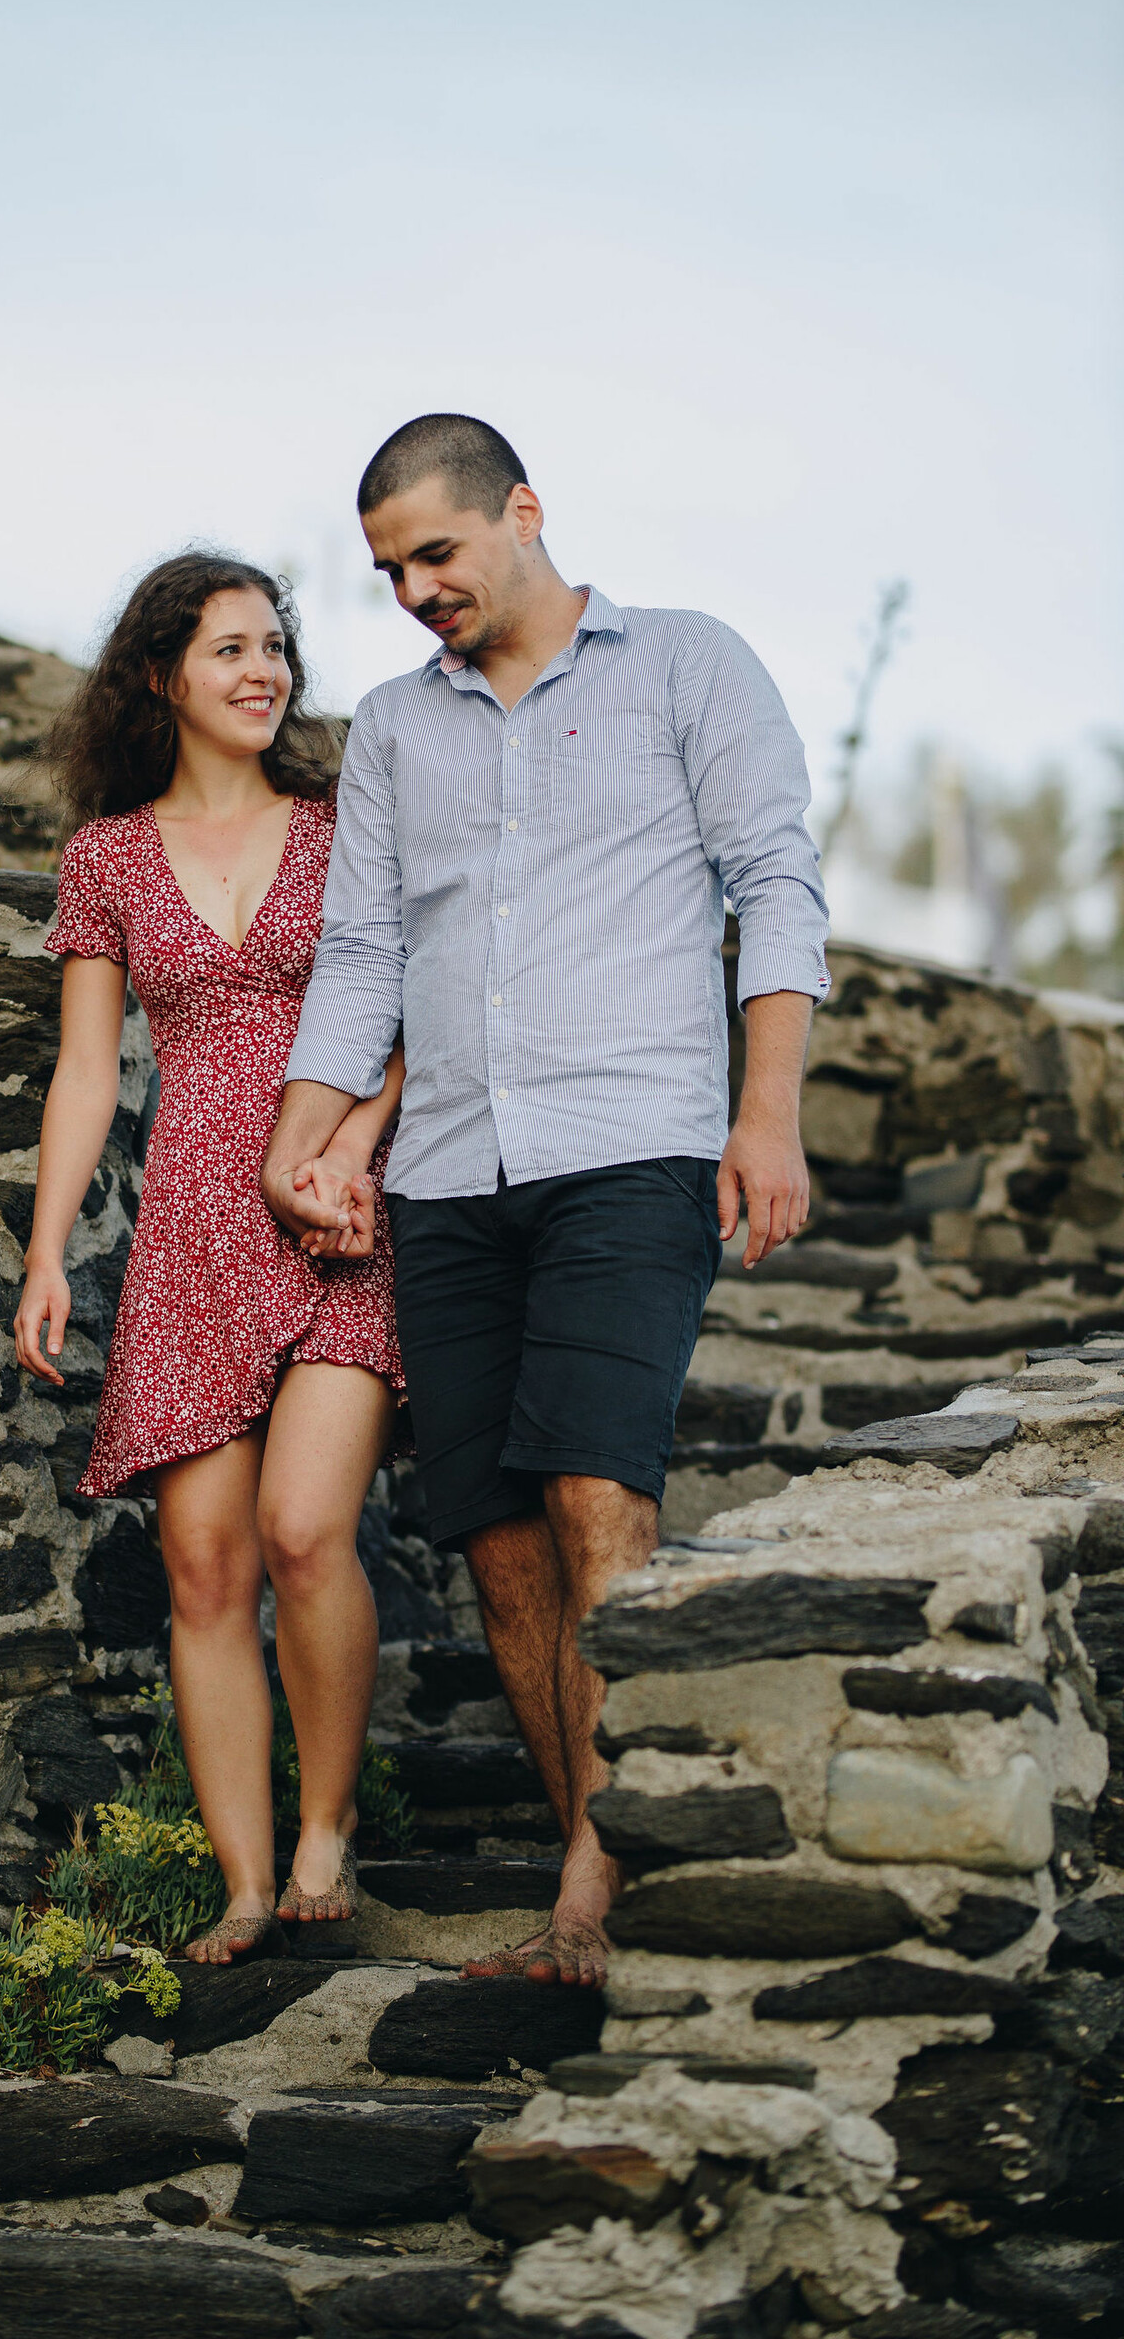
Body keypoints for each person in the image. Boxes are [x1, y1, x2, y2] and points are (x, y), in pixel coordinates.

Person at [262, 414, 828, 1989]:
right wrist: (300, 1142)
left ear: (522, 511)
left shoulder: (686, 666)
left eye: (436, 553)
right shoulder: (393, 727)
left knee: (596, 1493)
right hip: (447, 1169)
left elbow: (773, 881)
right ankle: (604, 1832)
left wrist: (762, 1115)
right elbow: (363, 953)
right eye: (388, 571)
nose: (415, 591)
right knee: (500, 1544)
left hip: (632, 1148)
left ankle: (587, 1897)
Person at [14, 550, 405, 1963]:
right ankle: (247, 1886)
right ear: (163, 674)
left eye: (275, 647)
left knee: (307, 1530)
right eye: (230, 649)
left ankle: (325, 1835)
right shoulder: (108, 857)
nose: (263, 672)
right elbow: (81, 1074)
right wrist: (50, 1249)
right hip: (187, 1224)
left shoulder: (345, 820)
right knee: (201, 1568)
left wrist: (354, 1148)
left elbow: (414, 1002)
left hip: (338, 1212)